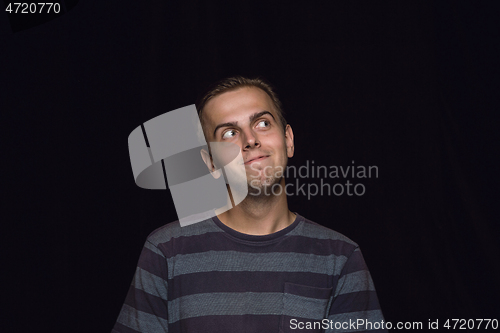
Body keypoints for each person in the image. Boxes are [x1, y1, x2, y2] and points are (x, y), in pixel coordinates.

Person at [112, 76, 387, 333]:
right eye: (229, 133)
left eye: (263, 123)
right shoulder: (166, 251)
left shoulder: (340, 258)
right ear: (211, 163)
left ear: (288, 140)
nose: (250, 140)